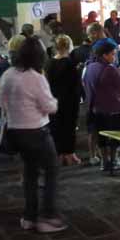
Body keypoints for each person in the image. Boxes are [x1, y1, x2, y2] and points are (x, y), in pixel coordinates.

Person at [0, 37, 66, 233]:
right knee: (51, 170)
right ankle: (48, 217)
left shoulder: (8, 74)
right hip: (36, 131)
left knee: (30, 173)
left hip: (15, 131)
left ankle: (29, 216)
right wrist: (55, 101)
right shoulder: (36, 77)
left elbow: (1, 102)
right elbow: (50, 107)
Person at [84, 41, 120, 172]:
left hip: (96, 109)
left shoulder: (89, 67)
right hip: (113, 108)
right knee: (116, 136)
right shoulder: (110, 69)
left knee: (101, 136)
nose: (114, 56)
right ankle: (114, 160)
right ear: (104, 55)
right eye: (112, 54)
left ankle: (104, 162)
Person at [46, 35, 82, 166]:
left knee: (56, 127)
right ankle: (70, 154)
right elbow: (76, 85)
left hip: (54, 99)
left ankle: (59, 154)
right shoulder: (70, 64)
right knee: (69, 127)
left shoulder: (49, 63)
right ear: (69, 46)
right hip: (69, 100)